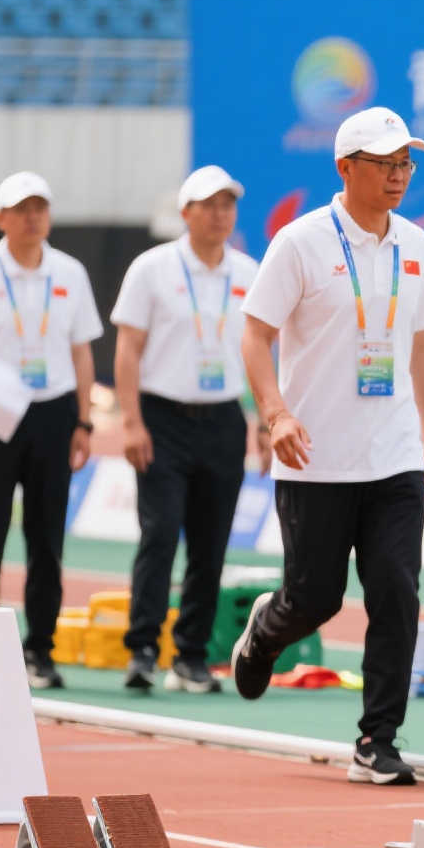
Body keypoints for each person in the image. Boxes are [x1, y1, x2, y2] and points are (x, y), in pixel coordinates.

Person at [229, 107, 424, 787]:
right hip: (314, 459)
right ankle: (267, 628)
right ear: (345, 168)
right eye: (385, 163)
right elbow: (255, 333)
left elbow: (419, 342)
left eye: (406, 163)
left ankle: (376, 740)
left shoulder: (416, 243)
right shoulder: (299, 243)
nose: (399, 175)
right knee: (315, 600)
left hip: (394, 460)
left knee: (395, 591)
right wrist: (276, 414)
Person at [0, 171, 104, 690]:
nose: (32, 217)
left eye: (39, 207)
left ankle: (40, 650)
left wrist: (83, 422)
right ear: (1, 217)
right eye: (21, 208)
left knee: (47, 540)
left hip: (52, 414)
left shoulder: (70, 272)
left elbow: (81, 352)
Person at [110, 165, 268, 695]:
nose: (221, 213)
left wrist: (268, 421)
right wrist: (131, 422)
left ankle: (192, 656)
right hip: (162, 417)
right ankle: (143, 650)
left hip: (224, 418)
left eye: (229, 204)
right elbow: (127, 349)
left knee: (211, 543)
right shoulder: (151, 269)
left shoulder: (249, 272)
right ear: (186, 213)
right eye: (209, 204)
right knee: (159, 534)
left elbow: (266, 350)